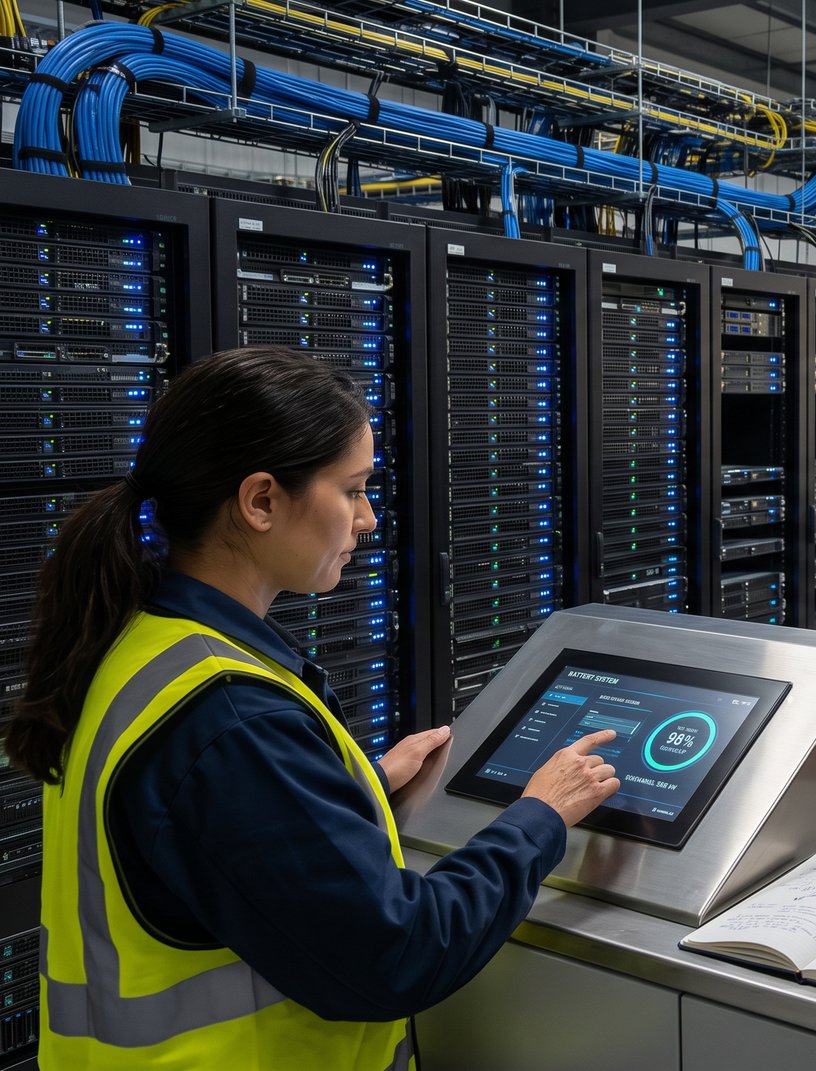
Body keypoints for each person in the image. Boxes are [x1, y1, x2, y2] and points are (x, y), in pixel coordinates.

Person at [8, 348, 623, 1068]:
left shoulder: (141, 641)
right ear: (261, 501)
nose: (369, 519)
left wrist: (362, 787)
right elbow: (400, 952)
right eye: (353, 489)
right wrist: (538, 817)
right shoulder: (230, 716)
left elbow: (206, 842)